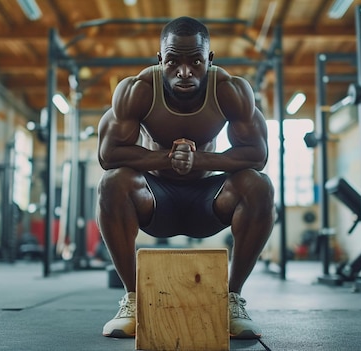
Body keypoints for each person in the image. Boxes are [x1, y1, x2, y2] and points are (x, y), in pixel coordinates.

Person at [96, 16, 275, 339]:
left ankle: (231, 300)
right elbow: (108, 155)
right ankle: (134, 300)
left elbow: (257, 156)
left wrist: (199, 160)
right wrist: (167, 158)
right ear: (159, 59)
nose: (184, 72)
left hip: (209, 202)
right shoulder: (137, 90)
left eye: (195, 61)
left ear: (209, 58)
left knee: (258, 186)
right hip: (155, 201)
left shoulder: (230, 90)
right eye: (172, 61)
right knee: (113, 183)